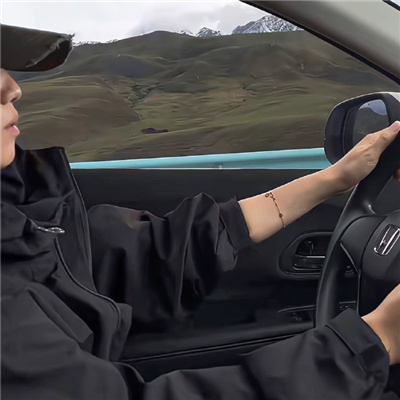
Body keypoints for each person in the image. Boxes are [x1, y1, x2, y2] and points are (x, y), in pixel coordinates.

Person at [1, 23, 399, 400]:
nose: (12, 87)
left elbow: (138, 257)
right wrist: (375, 341)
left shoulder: (18, 215)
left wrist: (333, 179)